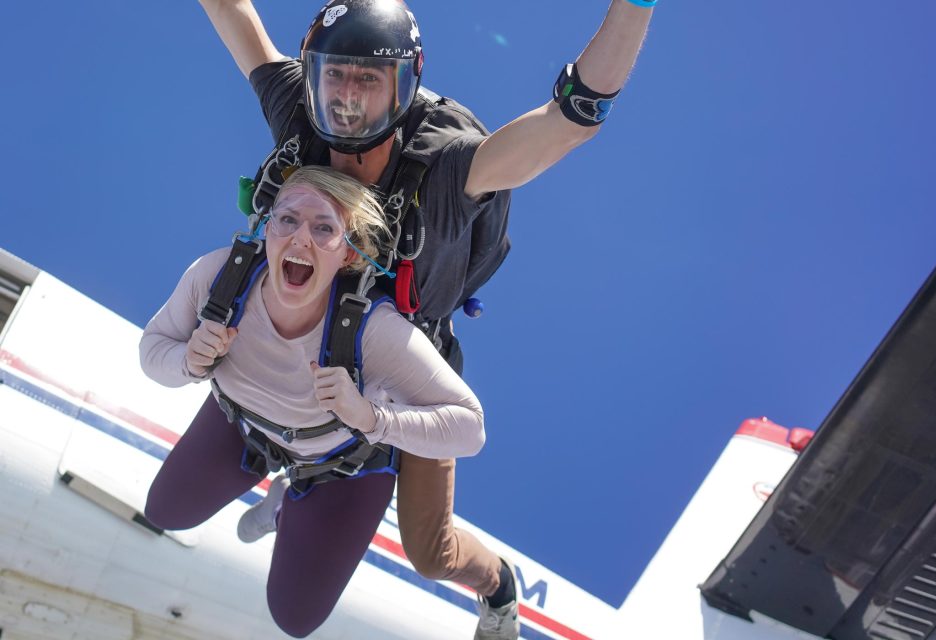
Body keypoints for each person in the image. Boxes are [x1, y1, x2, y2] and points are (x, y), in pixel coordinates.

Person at [194, 1, 656, 638]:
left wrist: (635, 9)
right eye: (336, 78)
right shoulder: (302, 114)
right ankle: (296, 472)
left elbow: (566, 123)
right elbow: (230, 12)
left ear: (404, 88)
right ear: (314, 73)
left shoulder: (446, 171)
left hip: (398, 365)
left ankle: (498, 587)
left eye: (369, 81)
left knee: (428, 550)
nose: (347, 101)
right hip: (305, 340)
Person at [141, 166, 486, 638]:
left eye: (323, 227)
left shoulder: (375, 332)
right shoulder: (220, 278)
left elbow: (470, 428)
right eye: (287, 220)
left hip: (341, 463)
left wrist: (371, 417)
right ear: (266, 230)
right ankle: (268, 477)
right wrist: (187, 359)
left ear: (348, 253)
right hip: (242, 426)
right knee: (165, 511)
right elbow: (152, 350)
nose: (300, 237)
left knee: (294, 616)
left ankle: (286, 504)